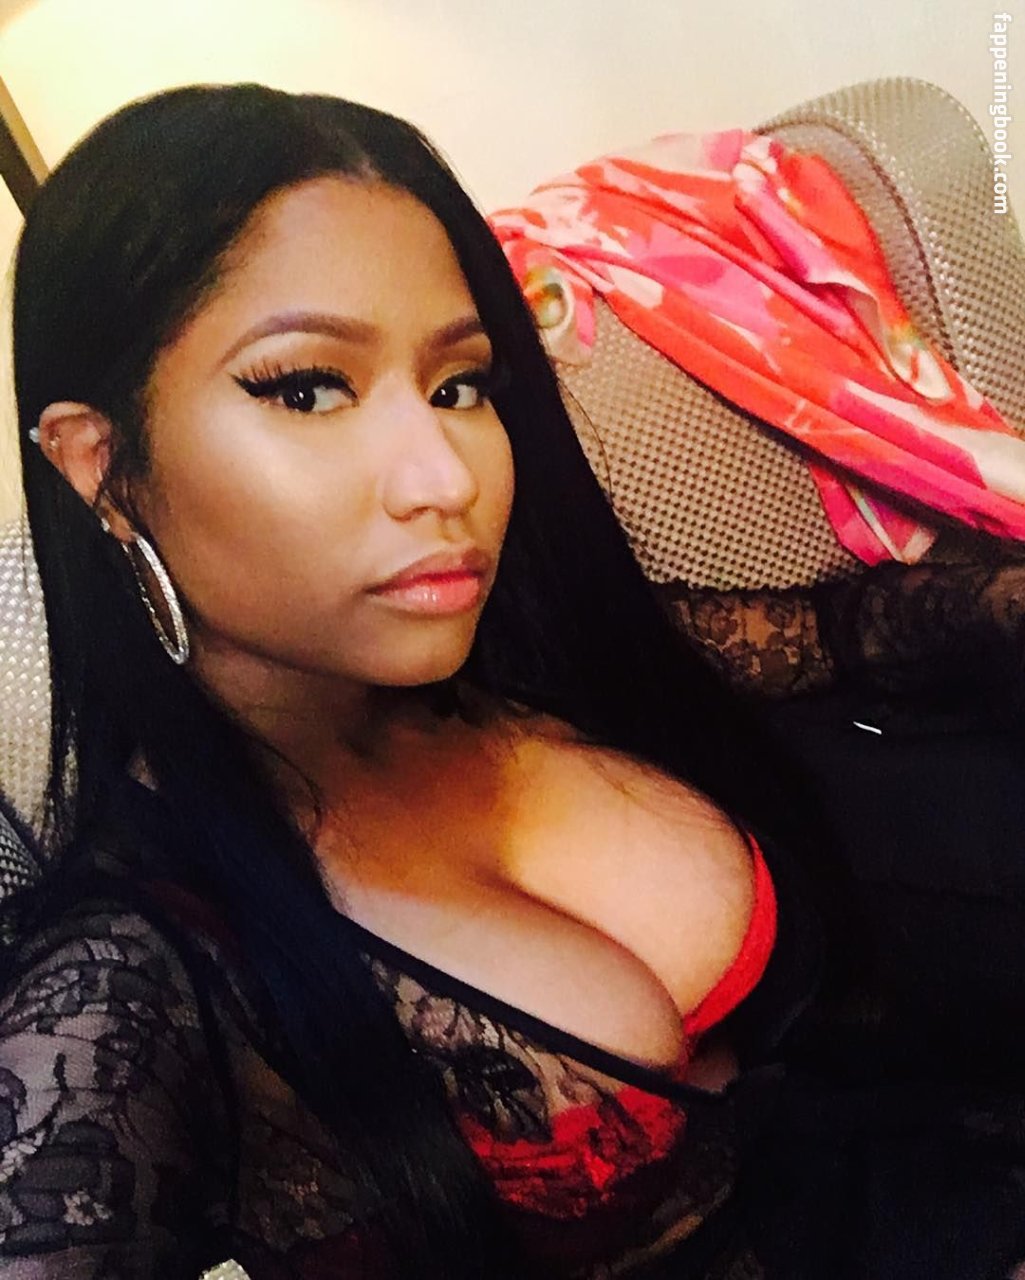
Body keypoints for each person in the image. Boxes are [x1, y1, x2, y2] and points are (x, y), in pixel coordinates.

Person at [0, 82, 1022, 1280]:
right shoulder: (132, 971)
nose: (444, 476)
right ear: (101, 462)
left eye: (457, 385)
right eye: (307, 387)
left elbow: (828, 632)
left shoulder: (525, 656)